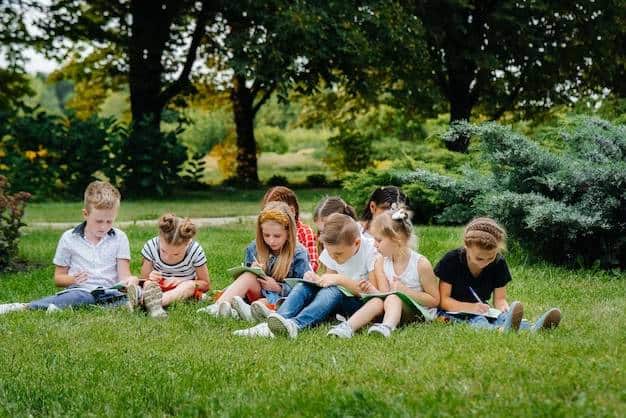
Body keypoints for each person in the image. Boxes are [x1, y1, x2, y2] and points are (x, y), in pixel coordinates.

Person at [0, 181, 137, 315]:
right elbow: (58, 278)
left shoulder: (120, 238)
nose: (104, 227)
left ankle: (62, 307)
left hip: (110, 293)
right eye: (99, 221)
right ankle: (26, 307)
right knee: (80, 298)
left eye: (109, 221)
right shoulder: (69, 238)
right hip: (82, 292)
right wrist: (73, 280)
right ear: (85, 214)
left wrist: (130, 281)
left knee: (132, 295)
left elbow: (124, 275)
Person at [327, 207, 439, 338]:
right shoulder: (380, 262)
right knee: (377, 301)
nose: (374, 245)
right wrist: (372, 290)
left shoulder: (420, 264)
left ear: (397, 240)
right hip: (390, 308)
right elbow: (383, 295)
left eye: (379, 240)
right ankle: (347, 327)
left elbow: (435, 300)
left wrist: (405, 291)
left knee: (394, 297)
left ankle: (387, 327)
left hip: (417, 313)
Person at [435, 217, 561, 332]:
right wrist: (471, 307)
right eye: (479, 258)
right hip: (453, 313)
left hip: (483, 310)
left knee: (501, 317)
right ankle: (500, 331)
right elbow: (443, 301)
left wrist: (505, 311)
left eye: (490, 258)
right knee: (479, 321)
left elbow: (500, 300)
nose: (485, 263)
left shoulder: (498, 263)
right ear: (466, 247)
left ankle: (533, 328)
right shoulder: (451, 260)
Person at [126, 214, 211, 318]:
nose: (168, 258)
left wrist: (183, 281)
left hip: (182, 292)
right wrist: (151, 277)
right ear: (159, 239)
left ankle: (152, 303)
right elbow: (144, 278)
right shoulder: (151, 246)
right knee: (147, 282)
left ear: (188, 243)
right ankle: (150, 303)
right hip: (157, 288)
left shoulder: (195, 250)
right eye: (163, 251)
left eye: (176, 254)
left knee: (189, 286)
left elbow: (205, 284)